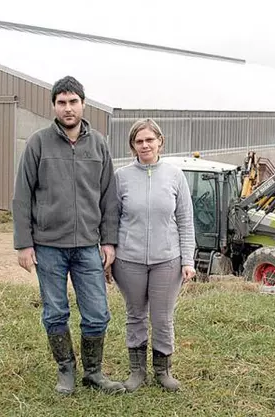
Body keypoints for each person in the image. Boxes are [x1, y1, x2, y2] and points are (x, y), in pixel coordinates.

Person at [12, 75, 124, 395]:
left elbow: (109, 197)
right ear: (54, 106)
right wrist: (23, 243)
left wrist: (109, 240)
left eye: (73, 101)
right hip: (49, 247)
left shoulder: (98, 144)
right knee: (55, 311)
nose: (68, 108)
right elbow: (22, 195)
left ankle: (93, 372)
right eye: (61, 102)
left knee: (98, 313)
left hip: (88, 246)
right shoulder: (38, 143)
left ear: (83, 104)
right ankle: (66, 371)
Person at [112, 118, 196, 392]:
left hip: (167, 261)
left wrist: (187, 260)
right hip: (129, 261)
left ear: (160, 141)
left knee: (162, 317)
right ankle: (137, 371)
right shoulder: (121, 177)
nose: (145, 145)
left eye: (150, 140)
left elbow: (185, 220)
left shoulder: (175, 176)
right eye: (139, 141)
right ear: (132, 146)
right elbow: (111, 219)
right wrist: (110, 253)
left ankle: (164, 370)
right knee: (135, 315)